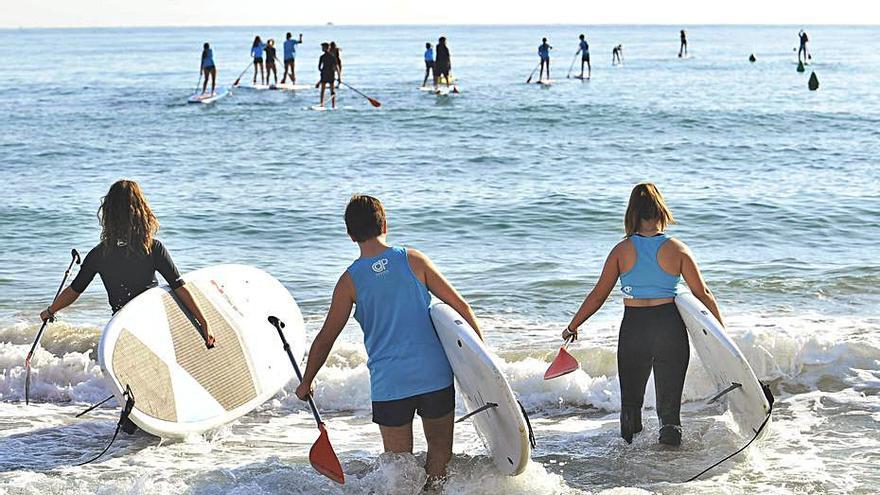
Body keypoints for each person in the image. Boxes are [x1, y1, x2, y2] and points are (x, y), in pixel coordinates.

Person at [294, 195, 481, 488]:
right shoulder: (413, 260)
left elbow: (326, 338)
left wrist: (307, 381)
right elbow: (461, 308)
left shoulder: (348, 282)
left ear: (350, 234)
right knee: (440, 455)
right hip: (434, 375)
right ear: (385, 223)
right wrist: (483, 363)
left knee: (399, 469)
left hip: (390, 384)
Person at [562, 183, 723, 447]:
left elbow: (598, 296)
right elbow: (703, 293)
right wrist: (721, 333)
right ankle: (669, 473)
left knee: (631, 405)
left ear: (633, 213)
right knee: (670, 413)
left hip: (634, 329)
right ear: (661, 212)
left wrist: (573, 326)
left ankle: (628, 469)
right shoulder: (678, 249)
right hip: (669, 327)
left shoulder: (621, 250)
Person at [39, 180, 215, 348]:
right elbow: (179, 287)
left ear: (108, 214)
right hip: (154, 322)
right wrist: (204, 322)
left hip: (123, 328)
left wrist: (50, 311)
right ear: (141, 212)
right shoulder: (153, 248)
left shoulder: (99, 254)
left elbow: (74, 290)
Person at [317, 42, 337, 108]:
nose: (322, 48)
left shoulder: (322, 57)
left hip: (325, 75)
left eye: (323, 47)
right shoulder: (332, 56)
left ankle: (322, 104)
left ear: (326, 48)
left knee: (323, 90)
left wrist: (323, 71)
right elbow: (335, 67)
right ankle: (333, 105)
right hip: (330, 74)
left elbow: (319, 67)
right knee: (332, 91)